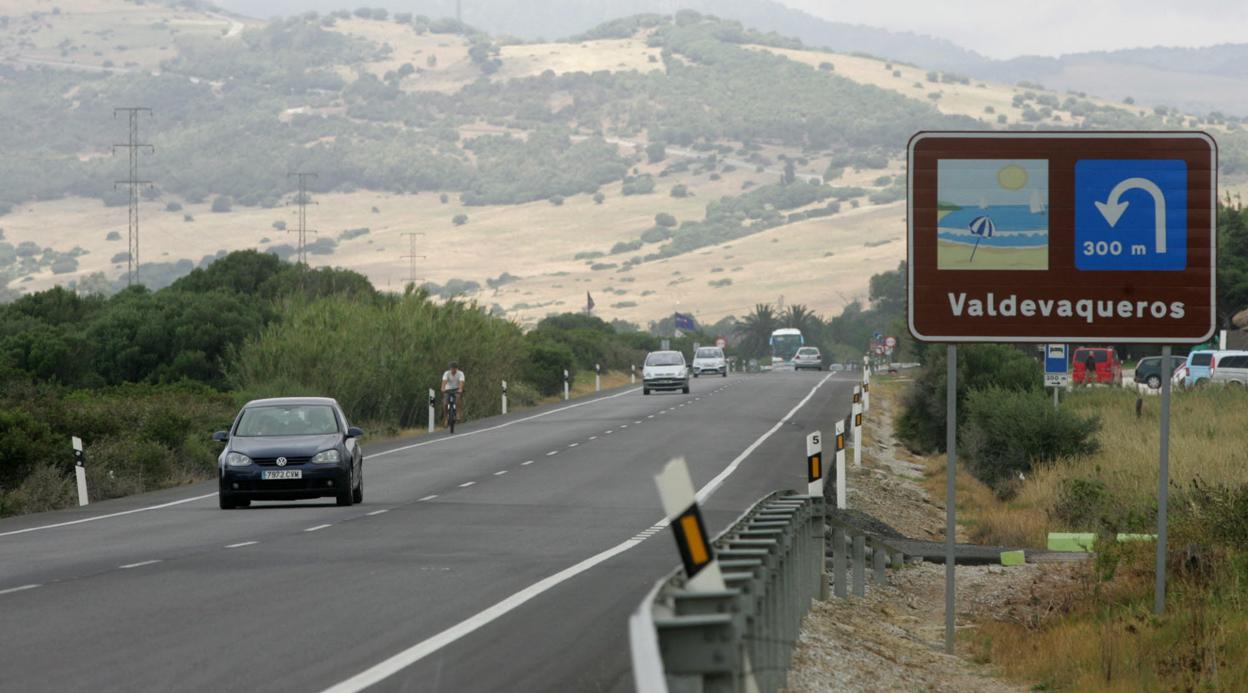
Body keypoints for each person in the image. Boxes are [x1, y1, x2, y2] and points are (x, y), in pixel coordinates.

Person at [441, 361, 466, 427]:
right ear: (450, 368)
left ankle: (458, 414)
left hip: (457, 389)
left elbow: (461, 382)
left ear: (457, 368)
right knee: (445, 403)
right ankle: (446, 418)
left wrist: (460, 389)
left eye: (454, 368)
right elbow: (444, 381)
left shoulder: (460, 373)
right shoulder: (446, 373)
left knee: (458, 397)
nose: (453, 370)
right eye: (451, 368)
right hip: (448, 389)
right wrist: (443, 388)